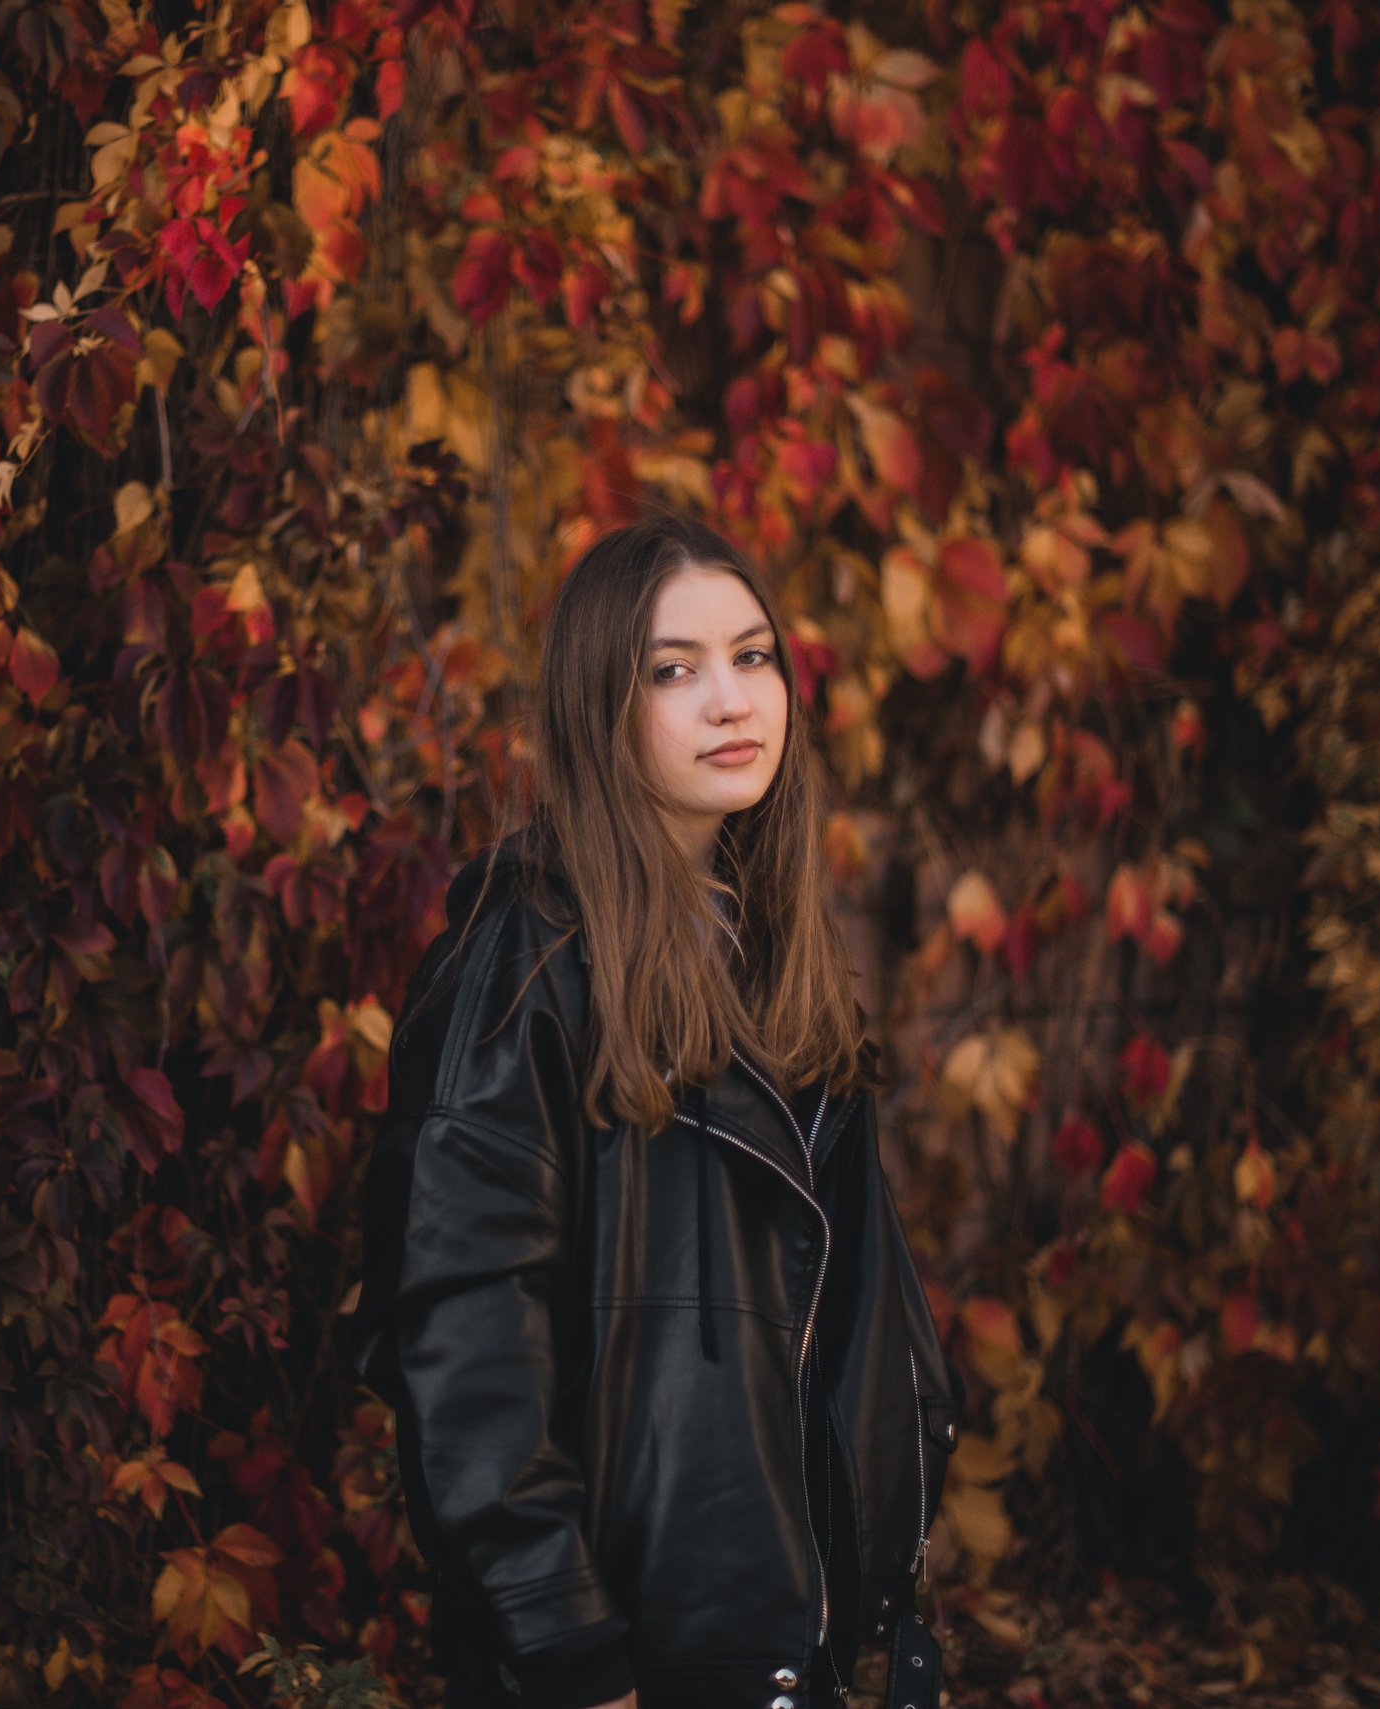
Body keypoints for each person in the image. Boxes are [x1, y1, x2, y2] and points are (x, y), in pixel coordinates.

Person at [352, 516, 963, 1709]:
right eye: (672, 670)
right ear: (598, 709)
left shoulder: (778, 966)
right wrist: (569, 1652)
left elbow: (844, 1331)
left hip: (792, 1654)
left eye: (753, 656)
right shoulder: (522, 964)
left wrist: (883, 1602)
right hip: (628, 1660)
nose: (730, 700)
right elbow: (462, 1347)